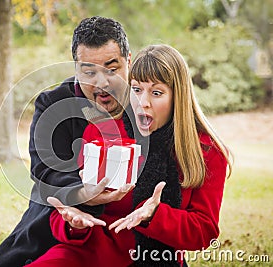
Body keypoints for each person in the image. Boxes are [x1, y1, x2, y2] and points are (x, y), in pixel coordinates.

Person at [33, 44, 232, 266]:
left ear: (178, 97)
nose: (142, 102)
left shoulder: (205, 151)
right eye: (136, 89)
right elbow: (64, 213)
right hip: (88, 255)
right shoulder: (102, 131)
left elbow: (204, 232)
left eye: (156, 93)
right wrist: (73, 224)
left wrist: (155, 215)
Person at [0, 16, 133, 267]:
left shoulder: (148, 103)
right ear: (75, 69)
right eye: (89, 72)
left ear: (128, 61)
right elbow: (45, 169)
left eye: (112, 68)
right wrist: (82, 194)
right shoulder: (53, 104)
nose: (102, 83)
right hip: (60, 216)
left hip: (129, 230)